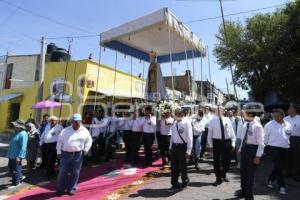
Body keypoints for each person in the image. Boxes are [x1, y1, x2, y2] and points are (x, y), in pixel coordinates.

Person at [56, 113, 92, 196]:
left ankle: (72, 188)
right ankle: (61, 188)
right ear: (72, 122)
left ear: (81, 121)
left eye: (78, 121)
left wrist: (86, 149)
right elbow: (59, 142)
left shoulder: (85, 131)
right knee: (62, 172)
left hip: (78, 155)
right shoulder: (65, 130)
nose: (77, 123)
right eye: (75, 121)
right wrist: (58, 152)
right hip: (65, 154)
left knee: (75, 172)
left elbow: (89, 141)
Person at [235, 105, 265, 200]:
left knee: (250, 174)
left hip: (253, 150)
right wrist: (240, 150)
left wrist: (258, 156)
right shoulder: (246, 124)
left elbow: (261, 143)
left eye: (244, 113)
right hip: (245, 149)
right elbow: (243, 138)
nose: (243, 115)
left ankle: (249, 196)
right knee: (243, 173)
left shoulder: (258, 126)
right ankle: (243, 191)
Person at [264, 109, 292, 195]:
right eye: (274, 116)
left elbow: (288, 136)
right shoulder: (269, 125)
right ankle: (281, 186)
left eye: (277, 116)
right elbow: (265, 137)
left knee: (279, 166)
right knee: (279, 166)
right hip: (273, 147)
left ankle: (270, 179)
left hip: (285, 148)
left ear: (282, 115)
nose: (275, 117)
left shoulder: (288, 125)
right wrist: (265, 147)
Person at [208, 105, 236, 186]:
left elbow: (232, 133)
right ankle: (218, 178)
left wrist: (233, 143)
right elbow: (209, 135)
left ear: (223, 111)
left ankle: (224, 173)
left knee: (227, 161)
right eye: (218, 110)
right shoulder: (212, 121)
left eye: (221, 110)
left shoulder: (227, 120)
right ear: (216, 111)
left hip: (227, 142)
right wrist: (210, 145)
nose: (219, 111)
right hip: (216, 142)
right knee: (216, 161)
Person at [168, 108, 193, 192]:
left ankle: (184, 181)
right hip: (175, 147)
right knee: (174, 167)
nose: (178, 115)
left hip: (183, 147)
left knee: (182, 167)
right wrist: (171, 147)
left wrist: (189, 151)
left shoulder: (186, 123)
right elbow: (172, 136)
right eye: (176, 113)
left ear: (182, 114)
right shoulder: (174, 123)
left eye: (179, 113)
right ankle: (174, 184)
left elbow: (190, 137)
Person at [7, 119, 28, 188]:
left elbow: (23, 147)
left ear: (19, 126)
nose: (14, 126)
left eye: (15, 125)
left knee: (15, 170)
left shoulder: (23, 134)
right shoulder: (17, 132)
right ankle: (18, 178)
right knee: (11, 168)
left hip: (16, 155)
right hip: (12, 154)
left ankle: (16, 183)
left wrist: (19, 157)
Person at [284, 104, 300, 181]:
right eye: (289, 108)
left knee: (296, 157)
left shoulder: (299, 118)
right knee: (287, 156)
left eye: (290, 108)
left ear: (295, 110)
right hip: (286, 138)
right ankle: (287, 173)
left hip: (296, 139)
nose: (289, 109)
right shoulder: (285, 118)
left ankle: (295, 174)